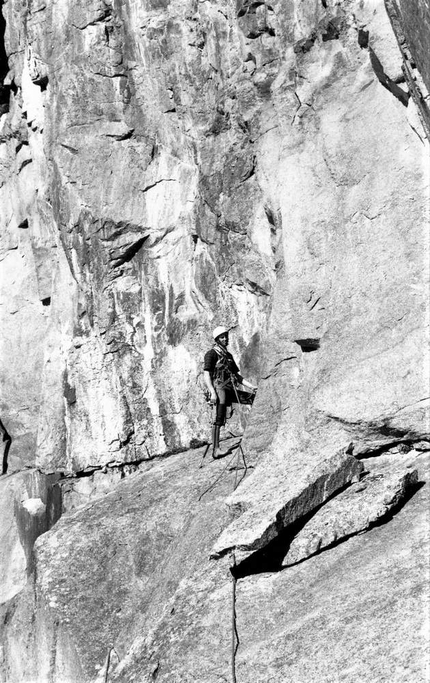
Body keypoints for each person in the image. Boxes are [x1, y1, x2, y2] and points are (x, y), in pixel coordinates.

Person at [203, 326, 257, 459]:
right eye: (222, 337)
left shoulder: (228, 356)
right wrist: (212, 392)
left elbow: (237, 376)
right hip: (220, 389)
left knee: (253, 398)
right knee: (219, 418)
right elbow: (206, 374)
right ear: (217, 340)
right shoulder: (211, 354)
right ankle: (216, 450)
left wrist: (251, 387)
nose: (225, 339)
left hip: (229, 388)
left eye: (226, 336)